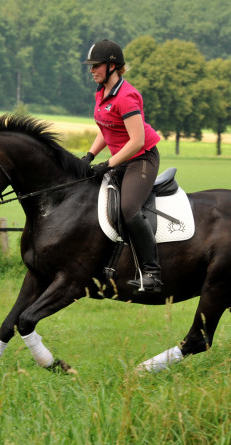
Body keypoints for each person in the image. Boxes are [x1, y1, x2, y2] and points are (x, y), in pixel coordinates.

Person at [82, 39, 163, 293]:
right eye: (91, 66)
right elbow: (107, 129)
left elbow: (137, 141)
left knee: (129, 208)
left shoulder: (126, 97)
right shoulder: (101, 92)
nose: (92, 70)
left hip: (141, 158)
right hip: (122, 158)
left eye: (96, 66)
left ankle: (152, 272)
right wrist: (89, 155)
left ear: (113, 66)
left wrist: (107, 163)